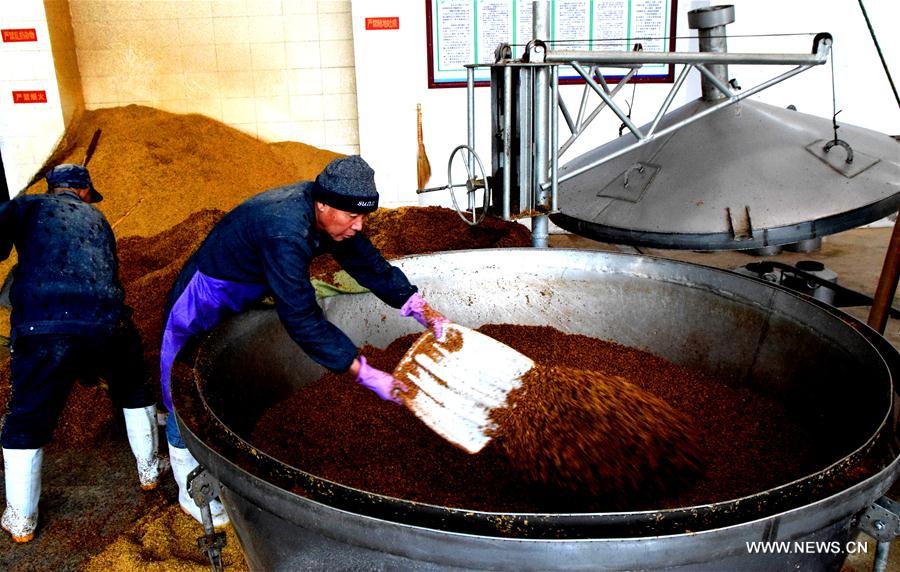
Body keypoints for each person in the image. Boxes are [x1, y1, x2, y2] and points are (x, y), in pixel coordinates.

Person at [160, 155, 448, 527]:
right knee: (182, 390)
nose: (358, 226)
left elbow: (368, 263)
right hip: (207, 293)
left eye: (364, 218)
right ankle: (187, 488)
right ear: (323, 203)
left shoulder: (333, 219)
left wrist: (419, 307)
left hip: (249, 283)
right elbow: (299, 316)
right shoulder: (285, 231)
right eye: (351, 217)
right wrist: (362, 371)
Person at [0, 164, 164, 543]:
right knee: (133, 390)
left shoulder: (27, 206)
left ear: (53, 188)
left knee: (26, 416)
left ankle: (22, 519)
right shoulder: (98, 219)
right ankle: (150, 472)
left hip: (45, 326)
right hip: (109, 321)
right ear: (85, 191)